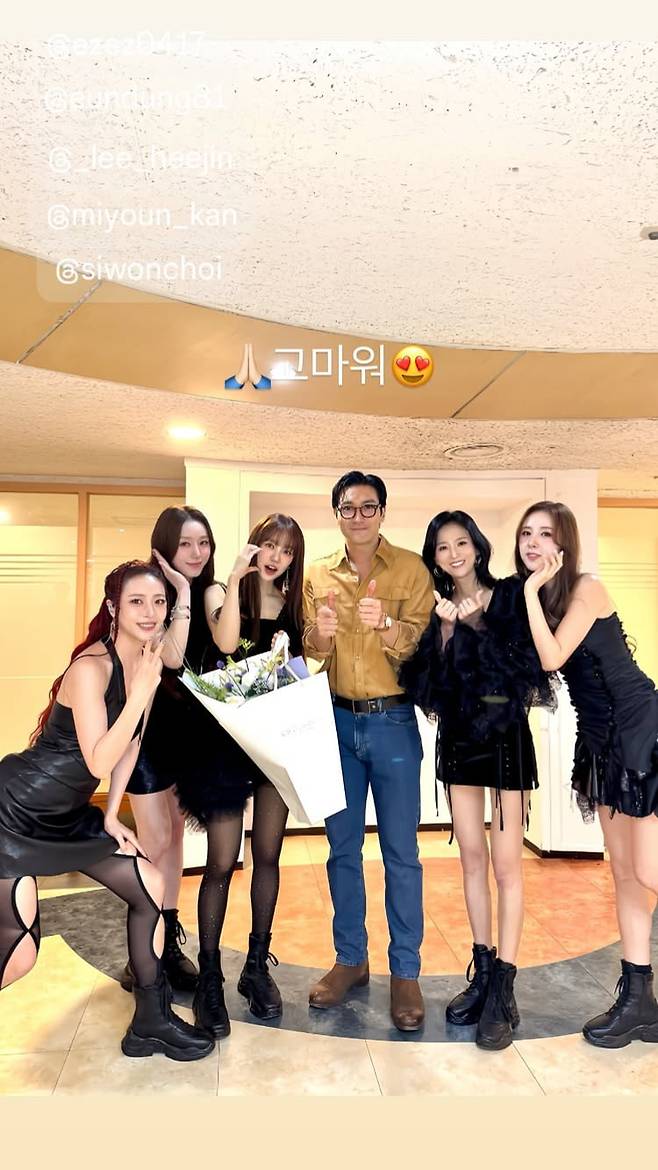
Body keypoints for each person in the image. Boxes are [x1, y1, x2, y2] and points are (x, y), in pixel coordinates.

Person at [0, 561, 214, 1062]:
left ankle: (151, 1021)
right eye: (137, 601)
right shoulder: (90, 668)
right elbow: (98, 758)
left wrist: (113, 814)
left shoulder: (146, 662)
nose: (150, 612)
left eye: (159, 602)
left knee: (150, 885)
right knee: (19, 950)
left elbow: (130, 746)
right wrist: (140, 692)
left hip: (69, 812)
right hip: (14, 810)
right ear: (113, 608)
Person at [400, 511, 552, 1050]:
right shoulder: (436, 609)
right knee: (470, 857)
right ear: (434, 557)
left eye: (461, 542)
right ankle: (483, 971)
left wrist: (480, 624)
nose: (454, 554)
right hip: (461, 739)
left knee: (507, 865)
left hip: (507, 736)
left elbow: (528, 669)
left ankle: (504, 987)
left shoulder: (508, 594)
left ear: (478, 547)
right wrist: (445, 631)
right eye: (442, 547)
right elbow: (430, 690)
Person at [516, 500, 658, 1049]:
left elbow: (552, 657)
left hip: (640, 729)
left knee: (647, 870)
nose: (534, 543)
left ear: (565, 544)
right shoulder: (546, 602)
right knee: (624, 875)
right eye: (526, 534)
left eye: (545, 534)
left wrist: (529, 593)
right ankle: (639, 1001)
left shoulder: (586, 589)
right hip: (600, 741)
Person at [303, 471, 434, 1031]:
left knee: (402, 852)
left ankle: (405, 971)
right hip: (335, 722)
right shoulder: (317, 572)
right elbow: (309, 649)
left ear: (382, 512)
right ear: (336, 513)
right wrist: (321, 635)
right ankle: (351, 959)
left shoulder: (411, 569)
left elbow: (422, 646)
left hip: (393, 722)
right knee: (342, 850)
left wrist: (387, 625)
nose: (357, 516)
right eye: (348, 507)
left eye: (368, 506)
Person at [211, 512, 305, 1021]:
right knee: (222, 860)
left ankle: (255, 966)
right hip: (226, 743)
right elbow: (226, 646)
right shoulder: (224, 593)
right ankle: (210, 975)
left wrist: (287, 659)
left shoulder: (293, 607)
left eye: (287, 551)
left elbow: (297, 676)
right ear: (255, 545)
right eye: (269, 545)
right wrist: (234, 578)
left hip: (272, 743)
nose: (276, 557)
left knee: (267, 854)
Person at [120, 535, 200, 995]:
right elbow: (170, 657)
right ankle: (141, 951)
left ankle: (165, 940)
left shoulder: (170, 606)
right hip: (139, 743)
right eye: (184, 544)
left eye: (203, 543)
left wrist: (183, 592)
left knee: (172, 838)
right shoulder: (141, 603)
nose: (195, 553)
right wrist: (178, 592)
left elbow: (171, 657)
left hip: (171, 737)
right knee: (152, 843)